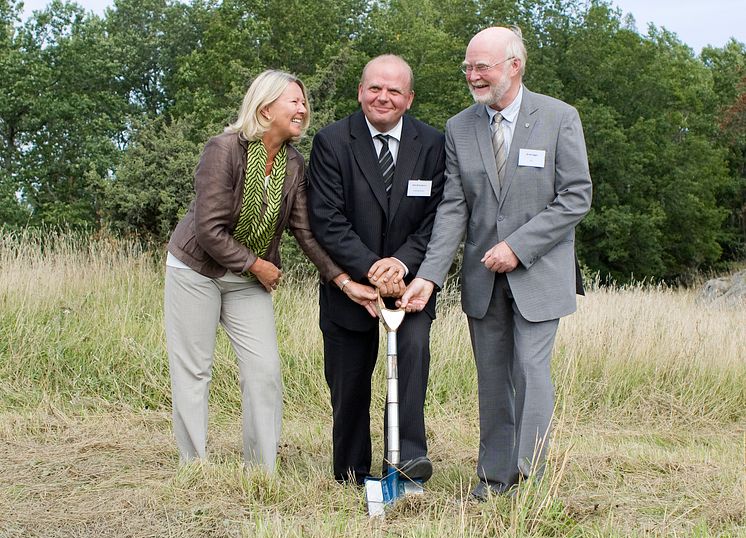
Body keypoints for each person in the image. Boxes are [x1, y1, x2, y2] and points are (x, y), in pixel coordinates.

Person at [400, 27, 592, 499]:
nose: (473, 75)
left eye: (482, 66)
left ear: (514, 66)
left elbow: (576, 197)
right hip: (483, 281)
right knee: (491, 382)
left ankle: (530, 480)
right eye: (468, 67)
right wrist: (429, 276)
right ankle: (494, 481)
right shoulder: (459, 126)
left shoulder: (559, 118)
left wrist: (518, 247)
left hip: (540, 274)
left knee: (530, 371)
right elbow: (453, 207)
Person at [164, 69, 363, 471]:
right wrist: (258, 264)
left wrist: (343, 280)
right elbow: (208, 230)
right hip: (196, 270)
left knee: (265, 369)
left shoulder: (293, 163)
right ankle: (194, 466)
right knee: (194, 370)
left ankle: (261, 468)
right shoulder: (223, 149)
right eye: (295, 101)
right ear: (266, 106)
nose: (303, 109)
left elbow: (306, 232)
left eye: (304, 103)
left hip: (247, 278)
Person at [307, 55, 446, 485]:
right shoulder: (331, 142)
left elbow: (438, 218)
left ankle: (406, 464)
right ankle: (351, 472)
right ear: (360, 91)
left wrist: (401, 264)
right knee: (348, 385)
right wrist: (371, 268)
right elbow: (326, 218)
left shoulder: (435, 144)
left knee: (409, 367)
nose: (382, 97)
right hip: (350, 290)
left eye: (394, 91)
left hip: (411, 290)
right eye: (374, 88)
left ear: (409, 99)